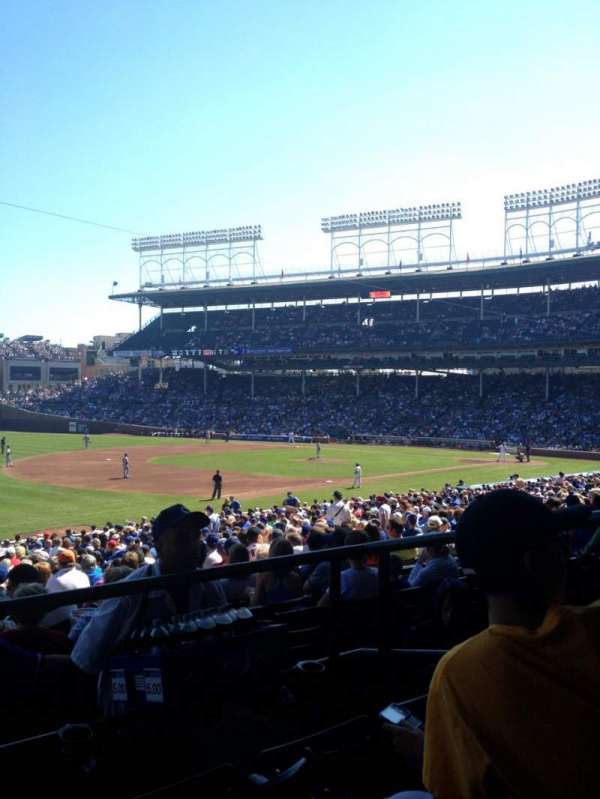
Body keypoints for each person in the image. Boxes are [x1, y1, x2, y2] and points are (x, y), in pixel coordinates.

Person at [386, 489, 600, 799]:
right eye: (559, 545)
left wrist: (427, 754)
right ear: (535, 562)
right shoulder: (592, 626)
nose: (567, 555)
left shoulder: (457, 673)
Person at [71, 505, 225, 698]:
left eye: (195, 536)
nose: (194, 545)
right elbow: (85, 658)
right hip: (135, 711)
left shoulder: (210, 585)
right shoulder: (129, 593)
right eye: (182, 538)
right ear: (159, 546)